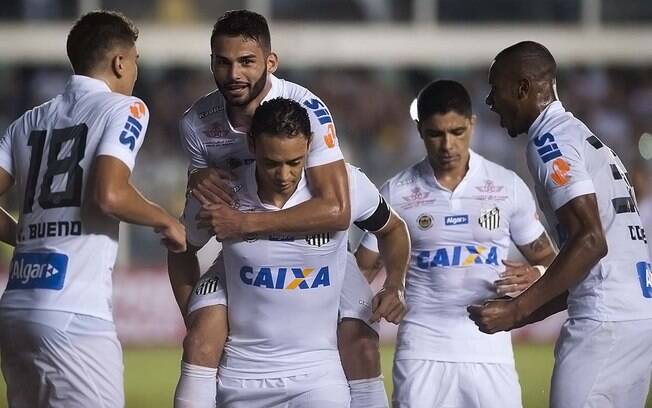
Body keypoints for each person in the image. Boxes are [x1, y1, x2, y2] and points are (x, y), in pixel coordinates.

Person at [170, 10, 404, 408]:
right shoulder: (196, 121)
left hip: (316, 249)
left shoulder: (307, 107)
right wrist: (197, 182)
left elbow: (337, 208)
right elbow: (192, 214)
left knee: (363, 343)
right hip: (239, 243)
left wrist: (245, 225)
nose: (233, 74)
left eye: (246, 61)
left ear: (270, 62)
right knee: (200, 337)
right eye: (223, 62)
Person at [0, 11, 186, 408]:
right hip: (75, 314)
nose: (136, 70)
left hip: (15, 312)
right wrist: (166, 219)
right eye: (135, 60)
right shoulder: (125, 109)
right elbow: (110, 194)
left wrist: (22, 234)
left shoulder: (26, 122)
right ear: (120, 62)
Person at [469, 41, 652, 408]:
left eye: (495, 88)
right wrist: (520, 314)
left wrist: (517, 309)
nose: (489, 101)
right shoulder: (582, 135)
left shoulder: (549, 139)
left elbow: (590, 242)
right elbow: (592, 264)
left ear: (522, 88)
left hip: (604, 324)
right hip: (635, 318)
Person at [355, 80, 556, 408]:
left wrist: (536, 270)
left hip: (490, 354)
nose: (447, 144)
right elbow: (362, 268)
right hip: (421, 353)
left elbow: (549, 258)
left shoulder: (506, 187)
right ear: (420, 130)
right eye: (436, 134)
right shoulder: (397, 192)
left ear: (472, 125)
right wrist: (374, 303)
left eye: (457, 132)